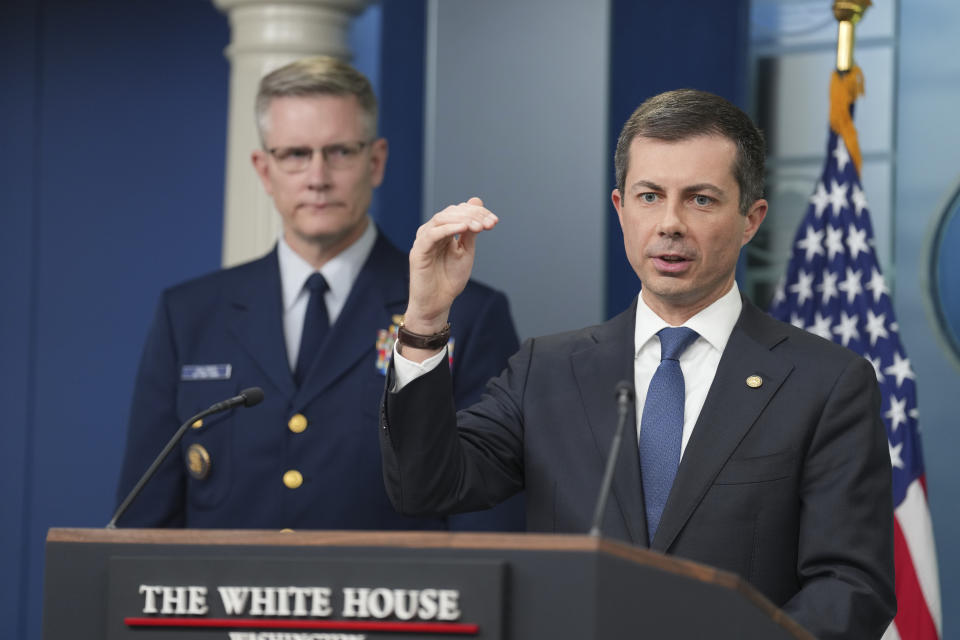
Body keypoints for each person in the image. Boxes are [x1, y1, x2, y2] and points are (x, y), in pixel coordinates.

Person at [380, 89, 895, 638]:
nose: (670, 223)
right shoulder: (548, 370)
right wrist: (426, 321)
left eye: (700, 199)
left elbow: (850, 586)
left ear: (751, 218)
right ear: (621, 209)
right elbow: (425, 487)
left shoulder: (826, 383)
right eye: (650, 196)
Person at [115, 57, 523, 531]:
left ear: (376, 162)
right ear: (263, 170)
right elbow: (143, 528)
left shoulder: (468, 313)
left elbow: (487, 529)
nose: (318, 177)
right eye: (294, 154)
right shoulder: (189, 317)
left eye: (340, 152)